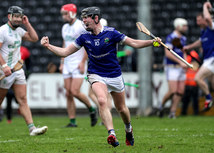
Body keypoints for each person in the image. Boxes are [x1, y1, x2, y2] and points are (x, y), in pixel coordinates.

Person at [41, 6, 161, 147]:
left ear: (96, 18)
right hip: (96, 74)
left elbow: (133, 42)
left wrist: (151, 42)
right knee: (102, 101)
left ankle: (128, 129)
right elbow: (65, 52)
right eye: (83, 18)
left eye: (87, 18)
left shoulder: (112, 33)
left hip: (114, 74)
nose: (84, 21)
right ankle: (112, 133)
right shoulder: (84, 38)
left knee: (121, 108)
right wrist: (48, 46)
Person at [0, 6, 47, 137]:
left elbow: (35, 38)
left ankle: (32, 128)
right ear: (9, 16)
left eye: (20, 16)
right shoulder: (2, 31)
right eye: (15, 16)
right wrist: (4, 66)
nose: (18, 19)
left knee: (23, 99)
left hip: (18, 70)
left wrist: (27, 23)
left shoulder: (19, 30)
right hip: (4, 71)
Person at [59, 4, 97, 128]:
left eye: (65, 14)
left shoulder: (80, 25)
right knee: (68, 93)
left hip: (78, 62)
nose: (63, 16)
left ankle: (91, 109)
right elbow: (65, 44)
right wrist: (62, 62)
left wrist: (82, 62)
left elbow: (87, 44)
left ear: (71, 13)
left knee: (75, 91)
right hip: (68, 63)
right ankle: (72, 121)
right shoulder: (64, 27)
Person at [183, 1, 214, 111]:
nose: (197, 21)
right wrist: (189, 47)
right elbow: (200, 42)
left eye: (199, 19)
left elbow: (208, 18)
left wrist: (205, 6)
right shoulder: (204, 31)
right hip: (208, 59)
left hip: (212, 59)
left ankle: (208, 98)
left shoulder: (212, 26)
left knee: (198, 78)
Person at [158, 18, 188, 119]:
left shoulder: (183, 38)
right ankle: (161, 106)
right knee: (173, 91)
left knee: (180, 91)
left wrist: (185, 62)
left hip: (181, 68)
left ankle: (172, 112)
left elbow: (183, 51)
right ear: (178, 26)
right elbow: (168, 54)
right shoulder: (170, 37)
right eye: (184, 26)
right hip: (172, 67)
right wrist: (181, 62)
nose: (186, 28)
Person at [5, 46, 31, 124]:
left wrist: (27, 74)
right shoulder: (7, 49)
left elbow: (29, 64)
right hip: (9, 76)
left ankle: (21, 108)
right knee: (9, 97)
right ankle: (9, 118)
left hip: (19, 76)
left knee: (19, 97)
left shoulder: (24, 50)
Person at [181, 50, 201, 115]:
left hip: (192, 82)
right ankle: (194, 112)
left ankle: (191, 112)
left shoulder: (191, 56)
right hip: (190, 82)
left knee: (190, 99)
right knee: (189, 99)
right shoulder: (194, 57)